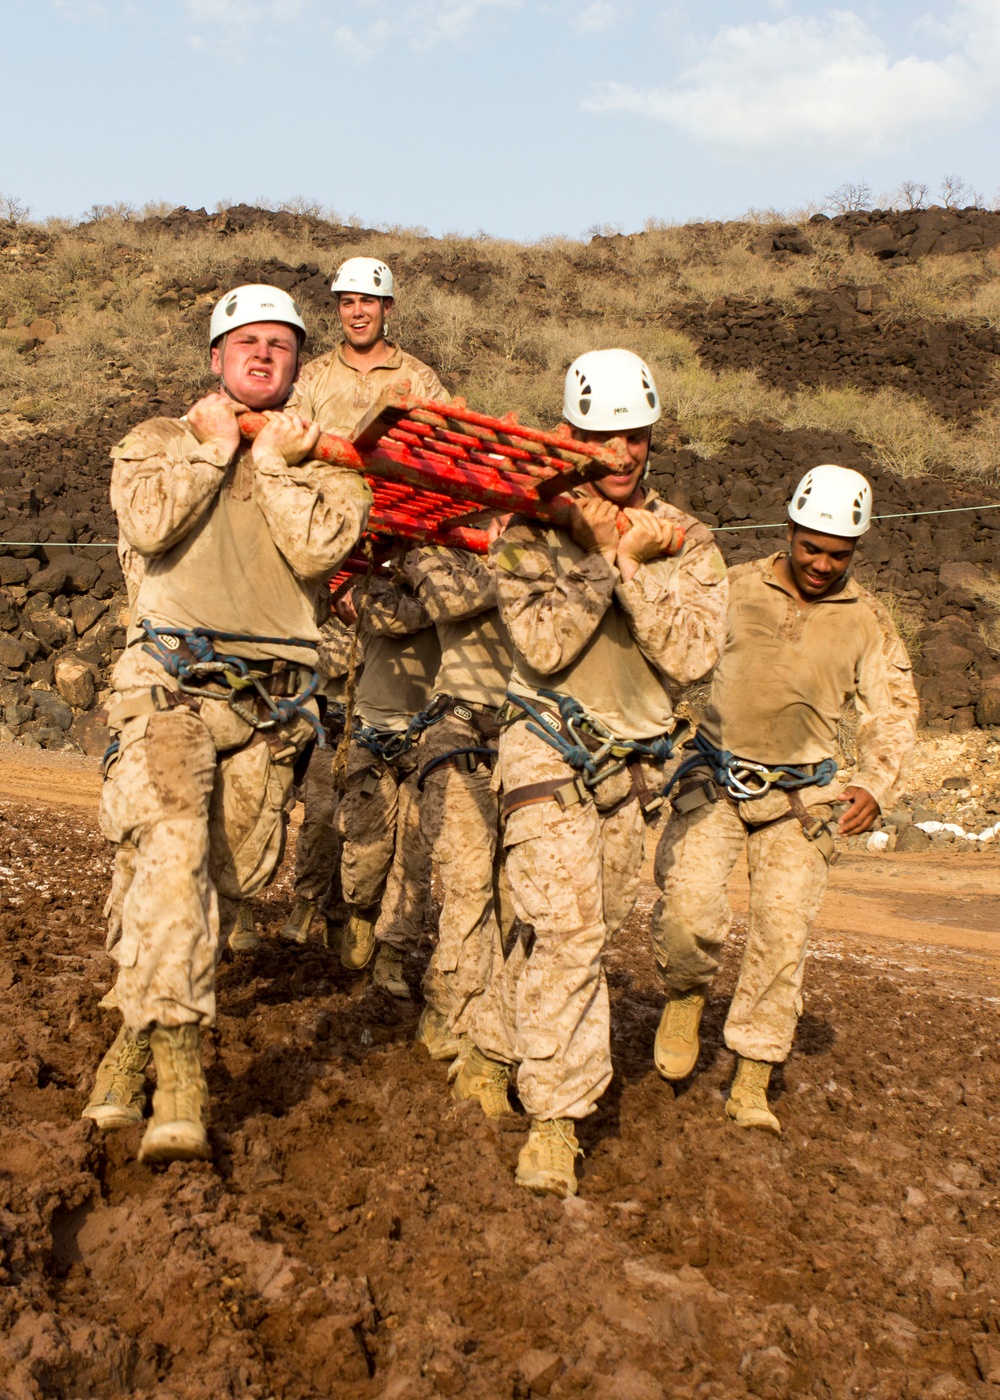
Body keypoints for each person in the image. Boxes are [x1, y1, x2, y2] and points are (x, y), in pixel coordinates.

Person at [81, 285, 370, 1163]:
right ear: (215, 356)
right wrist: (213, 450)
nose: (262, 355)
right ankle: (181, 1071)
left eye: (281, 346)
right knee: (171, 854)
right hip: (169, 688)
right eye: (245, 342)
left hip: (271, 709)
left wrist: (278, 464)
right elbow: (148, 522)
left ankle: (129, 1049)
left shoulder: (330, 465)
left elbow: (322, 552)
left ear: (297, 365)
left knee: (218, 883)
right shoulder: (158, 442)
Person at [459, 349, 730, 1197]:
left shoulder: (688, 541)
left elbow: (691, 654)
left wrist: (634, 567)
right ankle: (557, 1119)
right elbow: (542, 644)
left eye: (635, 437)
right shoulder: (530, 526)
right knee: (570, 933)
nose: (620, 455)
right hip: (547, 747)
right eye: (603, 438)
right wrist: (596, 556)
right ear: (570, 436)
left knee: (569, 929)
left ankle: (497, 1037)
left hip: (635, 768)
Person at [651, 464, 919, 1134]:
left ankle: (751, 1078)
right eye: (811, 547)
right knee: (686, 910)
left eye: (839, 553)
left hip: (804, 798)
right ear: (789, 530)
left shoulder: (869, 621)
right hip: (713, 778)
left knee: (782, 934)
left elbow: (893, 710)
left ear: (856, 550)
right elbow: (666, 651)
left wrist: (873, 785)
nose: (823, 563)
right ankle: (685, 995)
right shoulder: (732, 587)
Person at [395, 529, 514, 1061]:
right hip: (457, 730)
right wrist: (516, 559)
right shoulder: (438, 551)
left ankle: (492, 1011)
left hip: (528, 736)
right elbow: (447, 598)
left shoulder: (551, 550)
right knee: (469, 879)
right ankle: (449, 1009)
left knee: (515, 893)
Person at [332, 574, 440, 993]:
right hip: (371, 735)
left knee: (415, 855)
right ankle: (361, 913)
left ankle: (393, 951)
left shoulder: (458, 578)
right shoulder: (376, 579)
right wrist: (432, 590)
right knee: (368, 842)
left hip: (428, 737)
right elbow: (385, 616)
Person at [288, 256, 447, 434]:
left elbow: (445, 445)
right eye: (348, 303)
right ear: (338, 311)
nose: (357, 312)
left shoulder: (422, 380)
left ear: (386, 307)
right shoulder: (309, 379)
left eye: (367, 302)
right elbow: (286, 443)